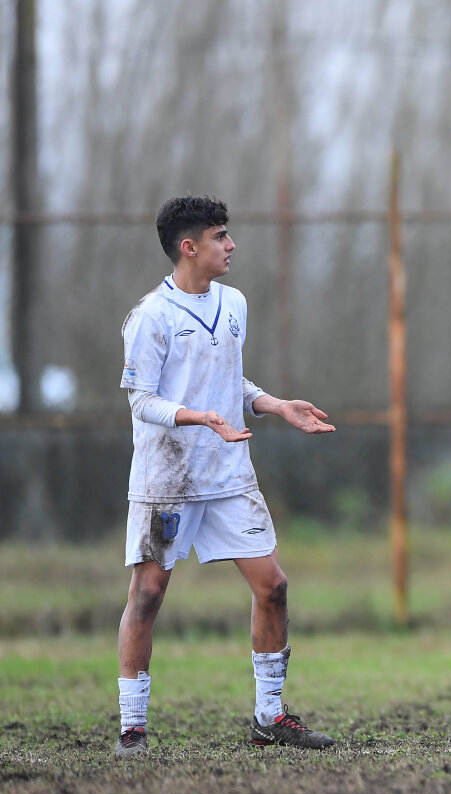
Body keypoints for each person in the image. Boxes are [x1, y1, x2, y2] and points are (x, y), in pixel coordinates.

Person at [115, 196, 337, 758]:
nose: (231, 245)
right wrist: (199, 417)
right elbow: (142, 400)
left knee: (274, 586)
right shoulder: (150, 316)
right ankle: (133, 728)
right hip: (168, 478)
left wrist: (275, 405)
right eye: (220, 236)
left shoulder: (234, 303)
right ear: (189, 247)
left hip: (229, 474)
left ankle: (270, 716)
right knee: (147, 594)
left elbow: (228, 382)